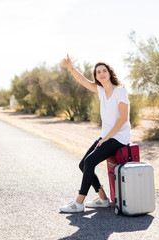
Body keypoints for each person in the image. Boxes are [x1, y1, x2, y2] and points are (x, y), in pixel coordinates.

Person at [60, 54, 131, 213]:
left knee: (90, 161)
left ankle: (79, 202)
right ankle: (104, 199)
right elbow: (82, 80)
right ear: (96, 76)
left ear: (109, 73)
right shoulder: (101, 91)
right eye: (98, 72)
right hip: (106, 136)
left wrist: (106, 138)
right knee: (83, 164)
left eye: (104, 71)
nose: (101, 74)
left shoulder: (120, 91)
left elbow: (123, 120)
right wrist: (71, 67)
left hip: (119, 136)